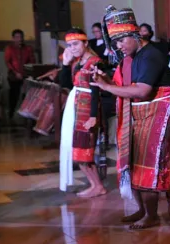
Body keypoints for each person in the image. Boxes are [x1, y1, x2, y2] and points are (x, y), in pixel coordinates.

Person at [91, 5, 170, 230]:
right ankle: (142, 209)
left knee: (148, 164)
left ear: (134, 35)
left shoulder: (151, 55)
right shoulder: (135, 55)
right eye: (116, 43)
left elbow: (141, 91)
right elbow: (131, 87)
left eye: (121, 41)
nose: (119, 47)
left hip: (158, 113)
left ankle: (151, 215)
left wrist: (107, 87)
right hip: (144, 113)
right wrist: (109, 83)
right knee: (134, 162)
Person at [59, 28, 107, 198]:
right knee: (78, 152)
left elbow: (95, 91)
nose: (73, 48)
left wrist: (94, 116)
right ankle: (95, 185)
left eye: (76, 44)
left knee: (84, 152)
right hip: (76, 109)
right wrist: (65, 64)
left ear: (86, 43)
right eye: (69, 45)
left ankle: (98, 186)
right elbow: (65, 84)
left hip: (87, 111)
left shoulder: (95, 62)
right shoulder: (76, 62)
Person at [4, 29, 35, 120]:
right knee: (14, 94)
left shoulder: (28, 48)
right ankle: (11, 113)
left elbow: (32, 61)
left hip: (25, 75)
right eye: (17, 37)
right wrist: (15, 73)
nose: (20, 39)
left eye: (21, 37)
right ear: (13, 38)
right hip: (13, 75)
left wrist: (28, 72)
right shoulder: (9, 48)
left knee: (26, 94)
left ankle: (25, 114)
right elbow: (8, 62)